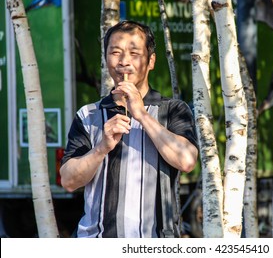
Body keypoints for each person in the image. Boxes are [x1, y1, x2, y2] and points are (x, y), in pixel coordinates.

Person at [60, 20, 199, 238]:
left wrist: (142, 115)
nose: (124, 61)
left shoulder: (172, 109)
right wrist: (101, 148)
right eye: (115, 52)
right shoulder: (88, 115)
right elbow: (68, 181)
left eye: (134, 53)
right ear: (106, 58)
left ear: (151, 61)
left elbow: (187, 161)